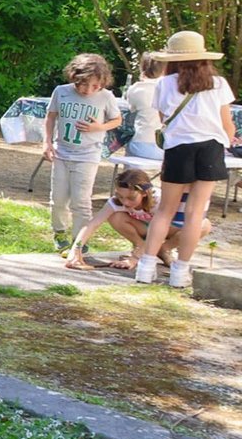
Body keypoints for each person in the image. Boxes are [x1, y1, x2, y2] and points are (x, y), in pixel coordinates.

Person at [135, 31, 236, 287]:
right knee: (195, 215)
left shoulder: (164, 84)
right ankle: (181, 272)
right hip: (211, 149)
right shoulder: (219, 83)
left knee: (165, 212)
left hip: (179, 149)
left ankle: (146, 268)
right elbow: (228, 126)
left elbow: (162, 120)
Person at [39, 54, 121, 254]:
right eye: (84, 85)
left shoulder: (106, 96)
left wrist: (99, 127)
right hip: (62, 152)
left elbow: (117, 120)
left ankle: (79, 240)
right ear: (74, 78)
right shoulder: (61, 92)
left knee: (82, 200)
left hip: (88, 155)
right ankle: (59, 233)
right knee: (58, 199)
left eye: (95, 86)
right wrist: (47, 142)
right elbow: (50, 117)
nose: (89, 90)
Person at [66, 170, 208, 271]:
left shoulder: (159, 200)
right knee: (115, 216)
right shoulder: (116, 203)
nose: (125, 203)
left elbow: (162, 228)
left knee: (204, 225)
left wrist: (134, 259)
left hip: (167, 230)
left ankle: (163, 249)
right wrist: (75, 249)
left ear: (145, 193)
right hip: (145, 231)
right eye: (121, 197)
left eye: (131, 198)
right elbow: (92, 224)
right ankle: (143, 247)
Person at [123, 52, 167, 160]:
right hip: (164, 147)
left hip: (139, 144)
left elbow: (130, 111)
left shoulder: (135, 89)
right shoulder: (170, 89)